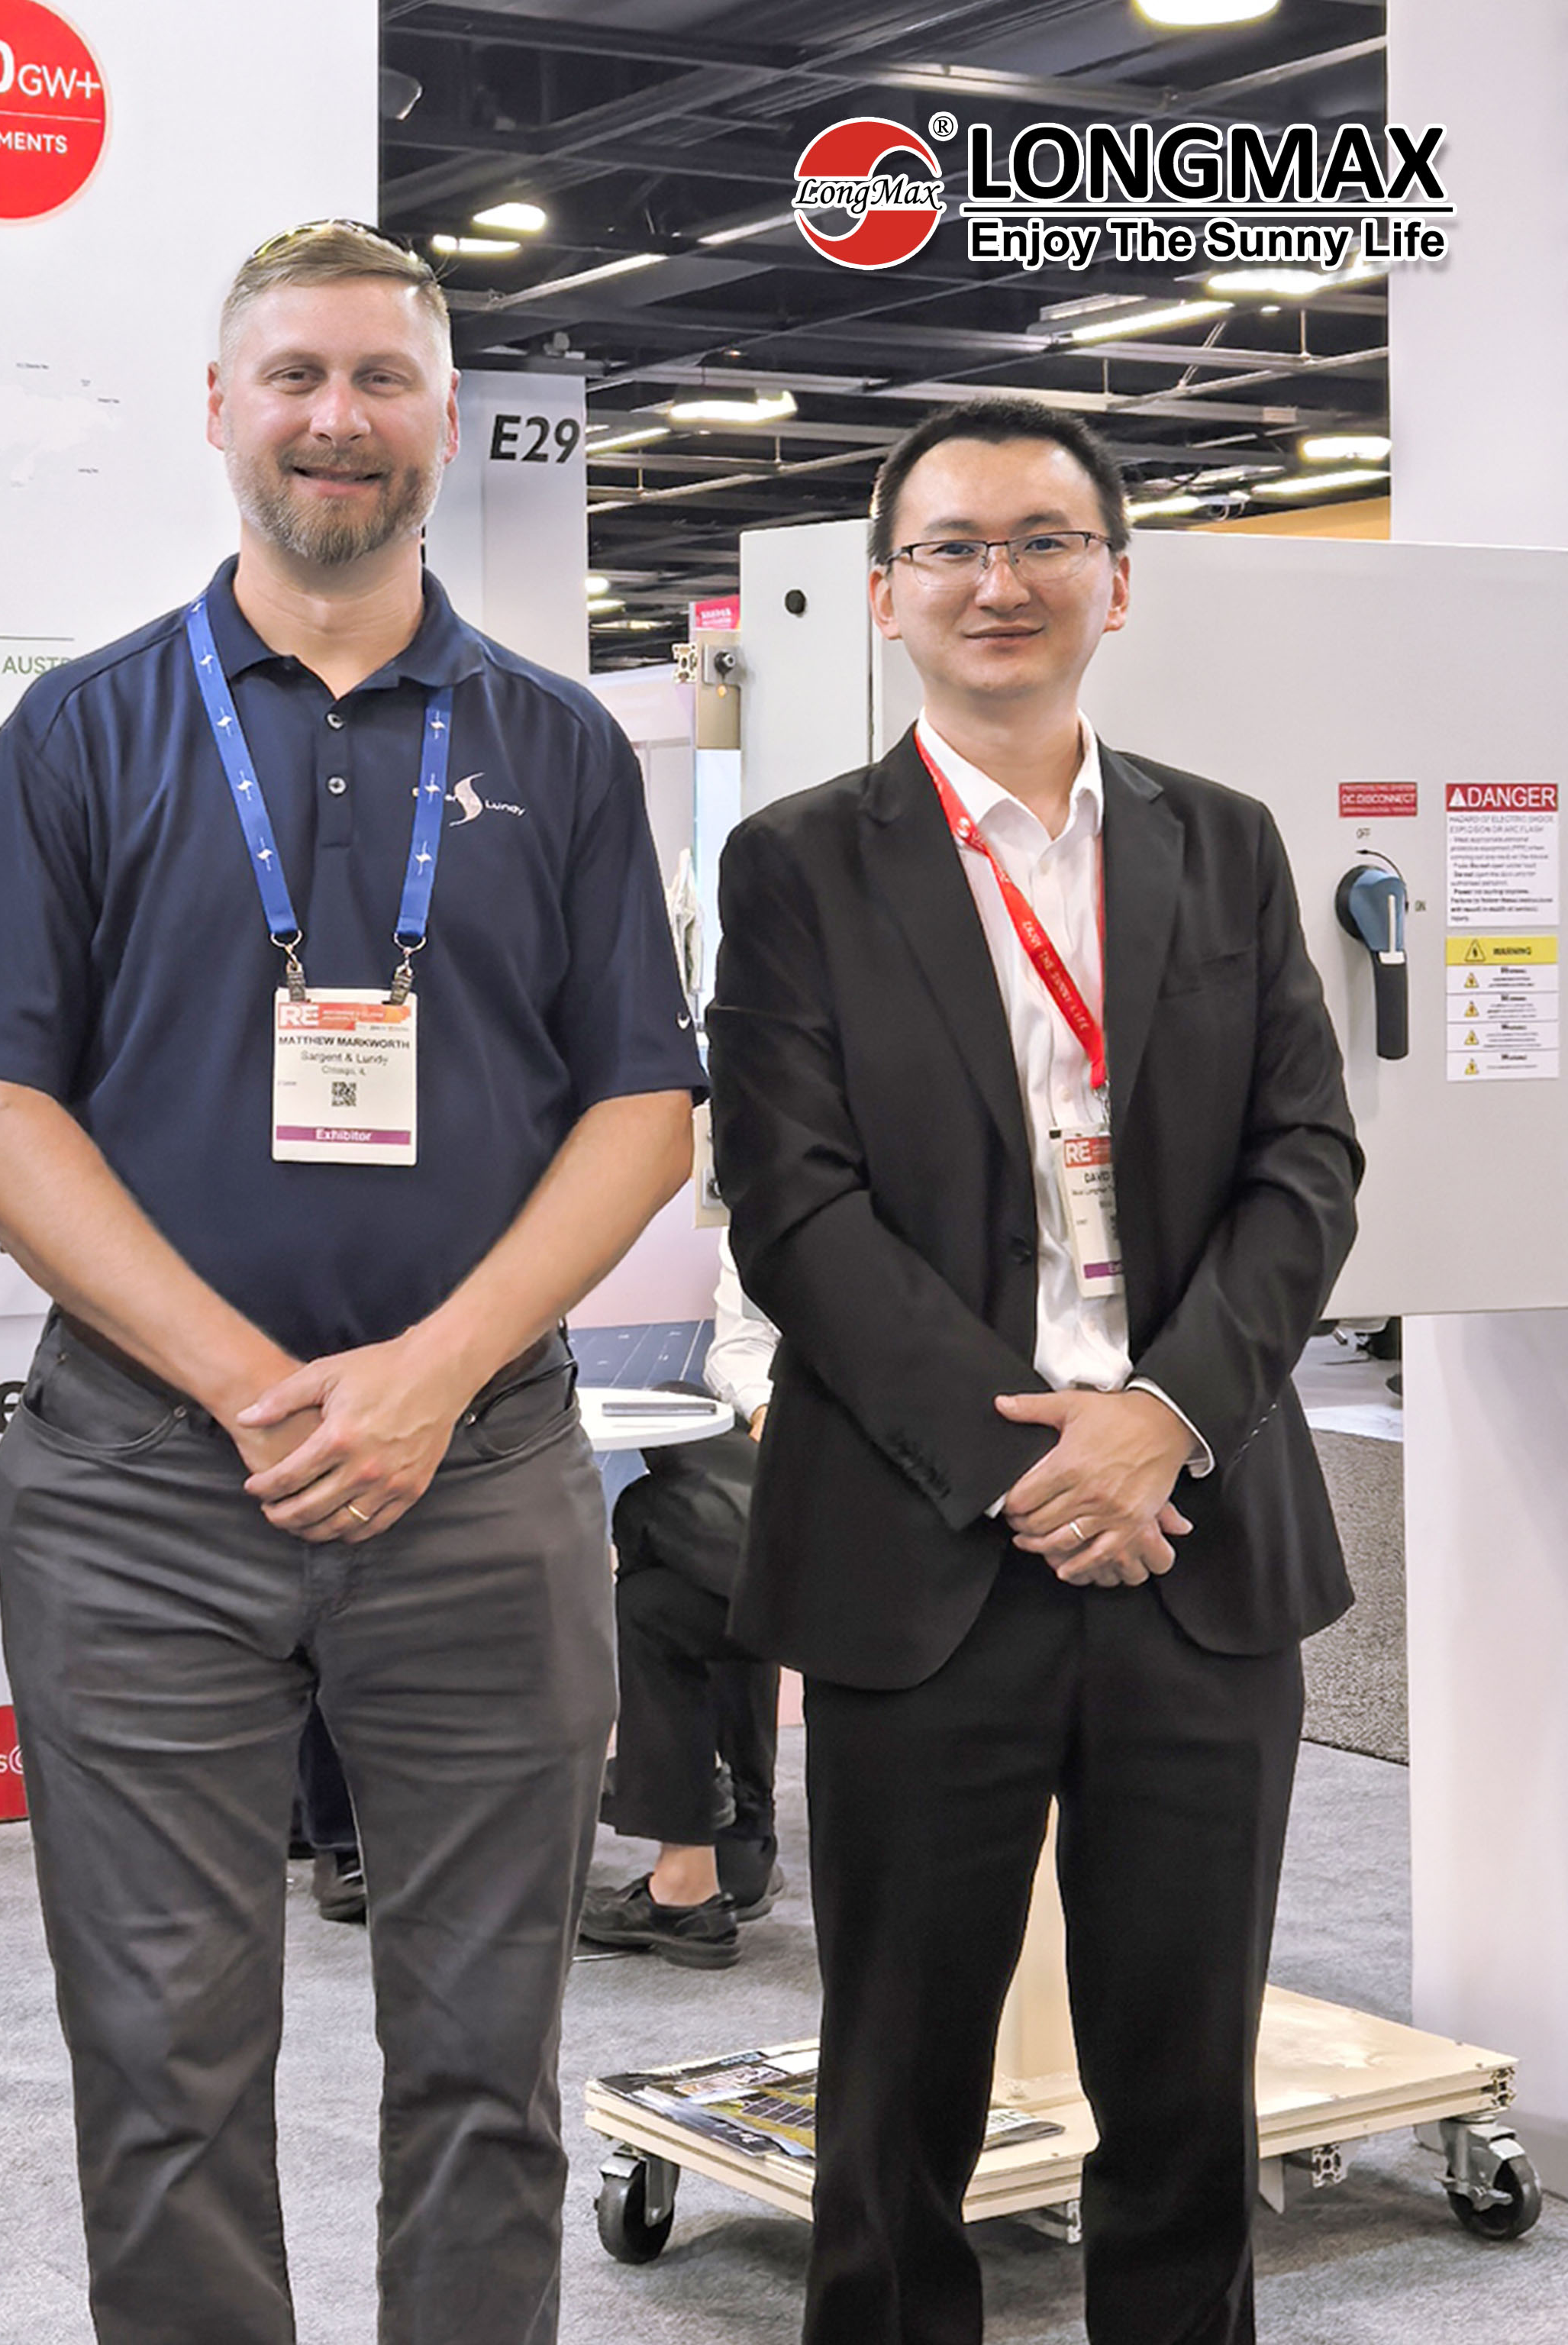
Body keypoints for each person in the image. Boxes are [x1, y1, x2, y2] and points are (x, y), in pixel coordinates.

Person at [0, 221, 702, 2345]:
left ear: (444, 415)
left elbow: (644, 1110)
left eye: (379, 378)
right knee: (163, 2065)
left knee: (486, 2060)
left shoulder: (558, 747)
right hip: (146, 1489)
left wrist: (428, 1377)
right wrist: (259, 1386)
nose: (335, 419)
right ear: (220, 409)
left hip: (482, 1477)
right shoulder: (85, 731)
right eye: (294, 376)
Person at [709, 394, 1360, 2343]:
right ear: (885, 594)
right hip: (924, 1552)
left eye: (1042, 542)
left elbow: (1304, 1163)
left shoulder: (1220, 843)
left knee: (1185, 2084)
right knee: (894, 2095)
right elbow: (792, 1206)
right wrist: (1031, 1464)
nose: (997, 581)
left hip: (1194, 1541)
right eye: (951, 547)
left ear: (1115, 583)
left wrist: (1160, 1420)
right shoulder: (795, 863)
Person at [579, 1235, 785, 1969]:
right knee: (657, 1602)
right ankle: (711, 1865)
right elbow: (740, 1346)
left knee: (651, 1525)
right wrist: (767, 1404)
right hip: (793, 1464)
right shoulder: (764, 1215)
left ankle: (722, 1852)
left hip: (892, 1494)